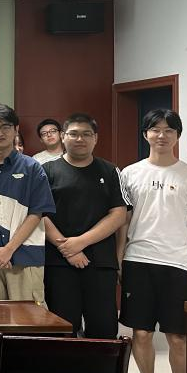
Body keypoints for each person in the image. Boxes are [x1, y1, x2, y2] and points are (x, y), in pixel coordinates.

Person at [118, 109, 187, 373]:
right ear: (145, 134)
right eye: (156, 129)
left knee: (179, 337)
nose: (162, 135)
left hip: (179, 264)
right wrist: (119, 259)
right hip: (138, 260)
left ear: (177, 136)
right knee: (141, 333)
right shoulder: (129, 173)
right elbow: (123, 221)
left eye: (169, 130)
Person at [42, 113, 128, 339]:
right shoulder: (47, 171)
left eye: (86, 134)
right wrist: (67, 250)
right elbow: (39, 214)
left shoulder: (110, 171)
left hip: (100, 262)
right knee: (62, 329)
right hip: (59, 263)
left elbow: (119, 214)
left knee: (103, 328)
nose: (80, 139)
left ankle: (99, 365)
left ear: (95, 138)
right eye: (74, 134)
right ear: (63, 136)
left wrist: (80, 242)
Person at [0, 103, 55, 302]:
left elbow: (37, 213)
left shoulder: (32, 168)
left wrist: (9, 249)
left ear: (16, 129)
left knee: (29, 317)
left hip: (26, 256)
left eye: (5, 126)